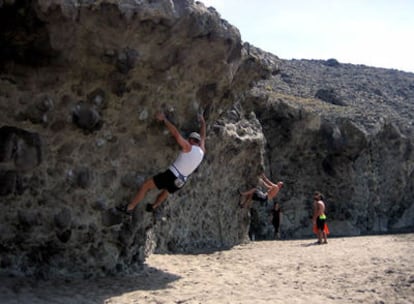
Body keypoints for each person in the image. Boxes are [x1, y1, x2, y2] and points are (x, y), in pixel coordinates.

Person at [117, 111, 206, 214]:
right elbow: (203, 135)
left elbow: (176, 135)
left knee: (146, 186)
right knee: (167, 191)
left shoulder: (188, 147)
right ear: (198, 142)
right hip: (181, 181)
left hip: (172, 174)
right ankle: (154, 206)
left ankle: (130, 207)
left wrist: (164, 120)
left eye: (188, 139)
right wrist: (203, 122)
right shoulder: (202, 151)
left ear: (191, 140)